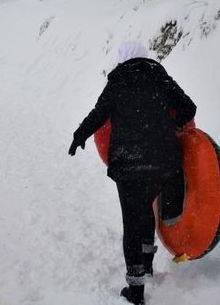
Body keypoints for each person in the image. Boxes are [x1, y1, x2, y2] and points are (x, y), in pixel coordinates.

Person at [68, 42, 196, 305]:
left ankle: (136, 290)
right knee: (147, 212)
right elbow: (188, 108)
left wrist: (79, 135)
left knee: (132, 222)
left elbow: (98, 115)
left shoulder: (117, 81)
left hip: (130, 165)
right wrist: (167, 127)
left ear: (123, 59)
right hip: (162, 162)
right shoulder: (160, 78)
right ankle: (147, 264)